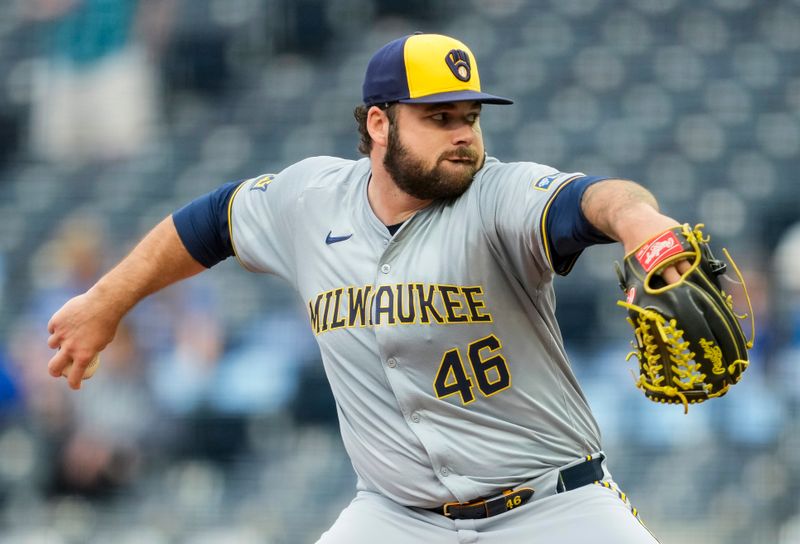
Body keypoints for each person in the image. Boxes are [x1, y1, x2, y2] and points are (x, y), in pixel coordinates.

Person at [47, 33, 691, 543]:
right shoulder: (311, 198)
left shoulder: (498, 197)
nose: (465, 134)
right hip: (397, 518)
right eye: (440, 117)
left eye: (470, 116)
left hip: (552, 509)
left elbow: (592, 200)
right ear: (380, 124)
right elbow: (210, 222)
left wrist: (640, 223)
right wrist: (106, 301)